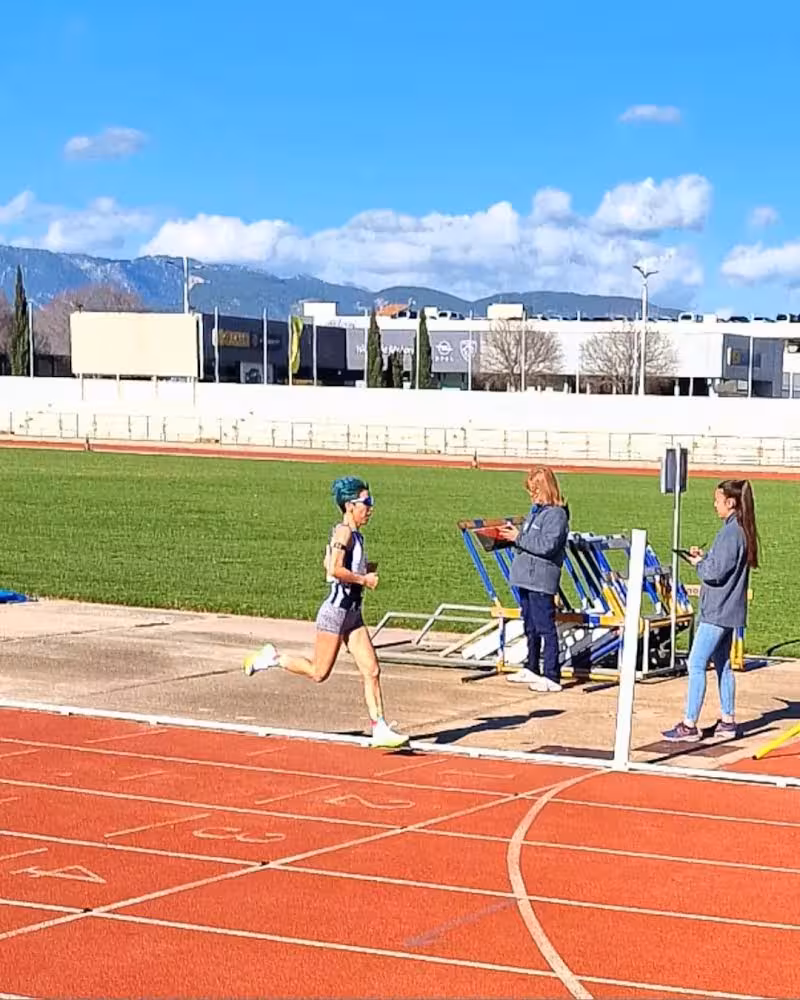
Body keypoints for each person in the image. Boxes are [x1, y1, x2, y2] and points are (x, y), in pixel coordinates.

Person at [242, 475, 409, 749]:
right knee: (319, 673)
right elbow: (333, 569)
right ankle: (272, 658)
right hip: (335, 612)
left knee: (372, 669)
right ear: (350, 505)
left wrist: (361, 572)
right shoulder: (344, 532)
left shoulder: (354, 535)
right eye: (366, 502)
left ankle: (379, 727)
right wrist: (364, 579)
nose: (370, 508)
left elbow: (330, 565)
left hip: (353, 613)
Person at [662, 478, 760, 743]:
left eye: (717, 500)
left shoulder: (731, 533)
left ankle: (689, 724)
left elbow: (715, 573)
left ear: (730, 502)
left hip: (717, 610)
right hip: (730, 610)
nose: (714, 505)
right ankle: (727, 720)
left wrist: (699, 564)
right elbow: (722, 566)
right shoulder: (740, 530)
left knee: (696, 663)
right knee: (723, 665)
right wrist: (705, 558)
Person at [496, 465, 570, 693]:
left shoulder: (556, 515)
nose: (532, 495)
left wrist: (519, 538)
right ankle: (532, 667)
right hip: (525, 577)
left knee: (545, 626)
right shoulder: (535, 511)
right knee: (530, 625)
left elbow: (547, 546)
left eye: (535, 490)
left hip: (541, 578)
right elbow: (529, 538)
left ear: (545, 489)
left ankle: (551, 674)